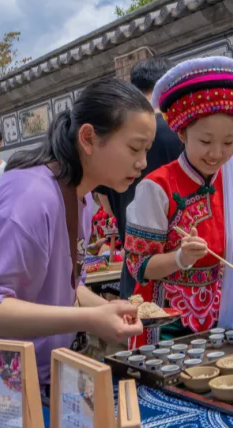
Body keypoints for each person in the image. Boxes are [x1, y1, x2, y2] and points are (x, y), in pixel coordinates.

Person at [0, 77, 152, 400]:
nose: (142, 163)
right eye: (134, 148)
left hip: (18, 369)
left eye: (146, 151)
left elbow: (69, 287)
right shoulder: (30, 197)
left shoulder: (80, 199)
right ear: (88, 138)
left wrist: (114, 311)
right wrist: (91, 318)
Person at [124, 56, 233, 346]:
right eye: (205, 142)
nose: (216, 153)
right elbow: (139, 266)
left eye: (228, 143)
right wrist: (181, 258)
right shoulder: (157, 187)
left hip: (216, 319)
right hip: (163, 324)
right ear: (181, 133)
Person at [97, 57, 184, 299]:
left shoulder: (115, 138)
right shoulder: (183, 132)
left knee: (137, 333)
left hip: (134, 269)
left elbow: (108, 208)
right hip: (181, 273)